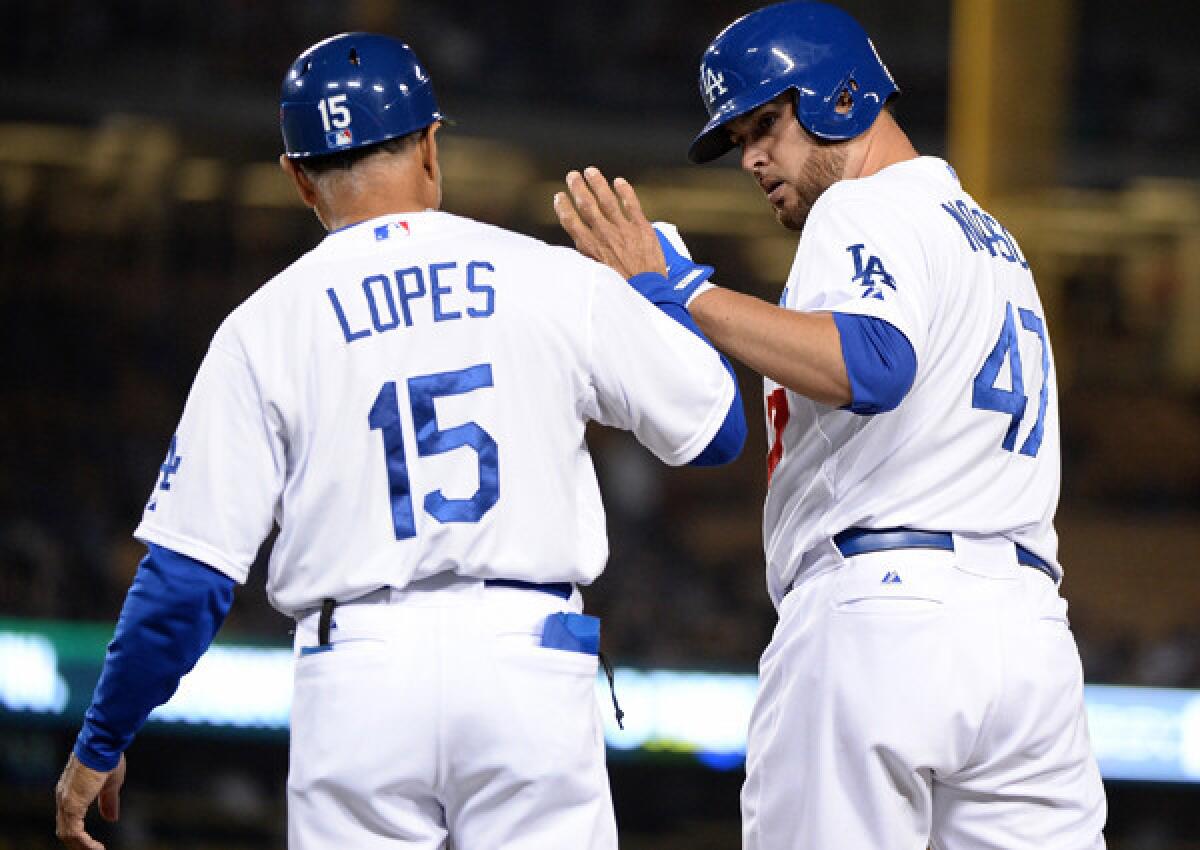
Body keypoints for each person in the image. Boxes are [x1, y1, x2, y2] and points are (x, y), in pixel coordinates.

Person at [54, 32, 745, 850]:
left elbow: (186, 577)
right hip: (527, 660)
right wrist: (656, 291)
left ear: (297, 177)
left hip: (358, 672)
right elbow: (715, 432)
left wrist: (102, 738)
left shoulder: (265, 326)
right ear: (429, 144)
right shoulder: (548, 276)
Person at [554, 2, 1107, 848]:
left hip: (884, 616)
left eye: (766, 124)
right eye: (741, 139)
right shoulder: (993, 238)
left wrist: (682, 292)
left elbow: (874, 362)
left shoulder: (862, 207)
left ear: (838, 97)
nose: (754, 157)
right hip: (1029, 637)